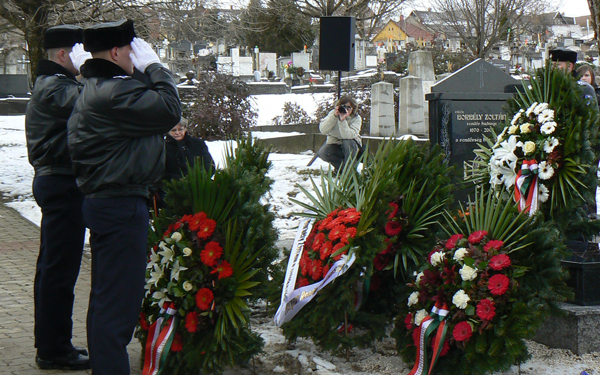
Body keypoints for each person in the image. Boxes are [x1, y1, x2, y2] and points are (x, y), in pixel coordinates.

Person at [67, 20, 181, 375]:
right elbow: (168, 110)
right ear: (116, 53)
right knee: (118, 303)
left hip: (109, 201)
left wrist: (144, 71)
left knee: (106, 298)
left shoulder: (103, 87)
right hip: (120, 204)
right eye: (133, 51)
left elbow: (148, 105)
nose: (138, 58)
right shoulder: (113, 93)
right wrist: (156, 67)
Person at [25, 25, 92, 371]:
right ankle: (53, 349)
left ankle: (53, 344)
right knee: (58, 271)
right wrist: (92, 72)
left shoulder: (53, 84)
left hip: (60, 182)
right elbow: (94, 102)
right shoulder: (55, 87)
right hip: (61, 183)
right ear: (65, 55)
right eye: (80, 53)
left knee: (55, 268)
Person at [316, 95, 363, 173]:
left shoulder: (356, 118)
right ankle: (343, 169)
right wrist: (334, 117)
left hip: (351, 145)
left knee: (347, 142)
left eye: (348, 107)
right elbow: (323, 130)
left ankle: (350, 171)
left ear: (353, 108)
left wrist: (342, 120)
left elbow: (347, 136)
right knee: (323, 153)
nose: (345, 109)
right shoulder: (333, 114)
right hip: (335, 143)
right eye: (343, 106)